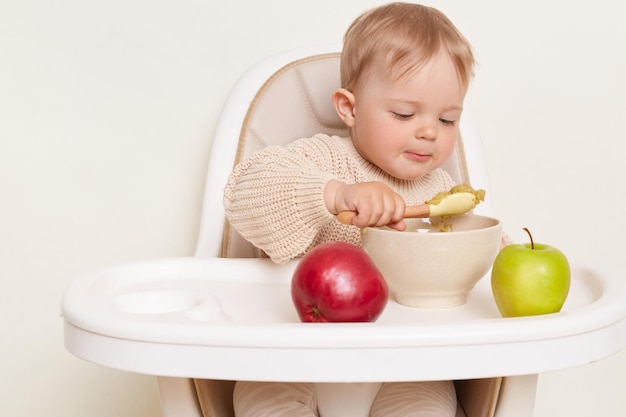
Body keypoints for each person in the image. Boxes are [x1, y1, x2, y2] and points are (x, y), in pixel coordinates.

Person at [223, 3, 474, 416]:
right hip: (293, 349)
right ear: (349, 108)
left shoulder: (441, 193)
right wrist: (335, 195)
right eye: (404, 114)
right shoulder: (322, 159)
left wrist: (496, 251)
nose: (429, 131)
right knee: (263, 396)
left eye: (447, 120)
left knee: (427, 403)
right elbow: (245, 193)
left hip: (405, 358)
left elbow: (469, 256)